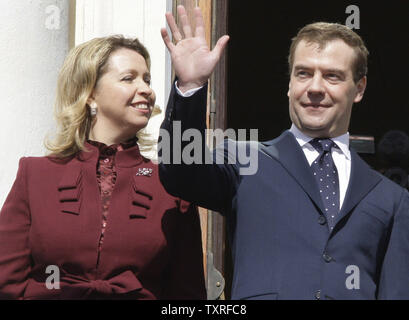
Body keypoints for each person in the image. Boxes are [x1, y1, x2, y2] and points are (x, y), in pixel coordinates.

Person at [159, 6, 409, 299]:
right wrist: (190, 87)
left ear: (359, 88)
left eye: (332, 76)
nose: (315, 88)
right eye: (303, 74)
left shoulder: (392, 199)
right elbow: (179, 173)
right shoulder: (244, 161)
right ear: (290, 84)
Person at [0, 35, 206, 300]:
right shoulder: (34, 175)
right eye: (128, 78)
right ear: (90, 94)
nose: (146, 89)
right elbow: (6, 283)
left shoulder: (171, 186)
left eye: (147, 79)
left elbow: (188, 296)